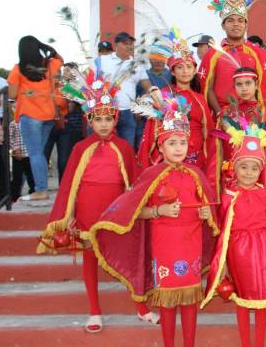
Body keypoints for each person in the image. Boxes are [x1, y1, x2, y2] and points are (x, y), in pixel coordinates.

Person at [89, 91, 219, 347]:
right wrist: (159, 211)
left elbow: (210, 211)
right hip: (165, 244)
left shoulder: (196, 174)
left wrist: (206, 215)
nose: (178, 148)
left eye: (182, 142)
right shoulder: (152, 174)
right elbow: (137, 211)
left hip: (191, 243)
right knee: (168, 300)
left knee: (190, 299)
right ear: (161, 146)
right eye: (172, 143)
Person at [36, 70, 157, 332]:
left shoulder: (124, 146)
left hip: (116, 212)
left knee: (129, 255)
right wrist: (68, 215)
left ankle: (141, 307)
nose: (103, 124)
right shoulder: (80, 148)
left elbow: (134, 183)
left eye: (108, 119)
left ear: (116, 119)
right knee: (90, 258)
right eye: (97, 119)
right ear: (89, 120)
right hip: (88, 212)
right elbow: (69, 184)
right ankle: (94, 311)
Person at [202, 126, 266, 347]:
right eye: (243, 167)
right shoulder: (228, 196)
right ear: (234, 168)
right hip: (239, 253)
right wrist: (226, 264)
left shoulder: (265, 194)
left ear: (260, 171)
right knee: (242, 298)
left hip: (265, 249)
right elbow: (223, 232)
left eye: (254, 168)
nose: (248, 173)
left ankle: (259, 342)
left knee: (262, 299)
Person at [208, 67, 266, 254]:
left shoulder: (263, 112)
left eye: (248, 83)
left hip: (258, 178)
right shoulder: (227, 113)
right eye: (239, 84)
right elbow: (220, 148)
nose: (244, 88)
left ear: (256, 86)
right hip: (233, 176)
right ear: (234, 87)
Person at [194, 0, 266, 117]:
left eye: (240, 20)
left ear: (246, 25)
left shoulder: (258, 54)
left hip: (254, 119)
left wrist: (258, 116)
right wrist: (220, 113)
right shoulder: (213, 54)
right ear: (223, 25)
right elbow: (207, 87)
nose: (236, 24)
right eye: (230, 20)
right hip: (224, 118)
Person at [137, 29, 213, 171]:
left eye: (189, 67)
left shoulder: (200, 99)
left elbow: (207, 132)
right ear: (172, 71)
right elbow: (153, 129)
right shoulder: (164, 95)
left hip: (196, 157)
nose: (185, 71)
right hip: (169, 154)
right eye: (180, 67)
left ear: (195, 70)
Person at [7, 36, 63, 202]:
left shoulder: (18, 69)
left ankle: (41, 190)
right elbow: (61, 59)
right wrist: (49, 49)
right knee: (39, 153)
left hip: (30, 115)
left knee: (35, 153)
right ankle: (41, 187)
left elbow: (11, 94)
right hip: (49, 116)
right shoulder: (49, 64)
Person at [93, 31, 151, 147]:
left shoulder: (137, 65)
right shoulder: (103, 60)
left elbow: (148, 87)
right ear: (116, 45)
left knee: (127, 148)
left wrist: (142, 104)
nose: (129, 46)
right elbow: (92, 83)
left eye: (130, 43)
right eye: (125, 43)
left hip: (128, 113)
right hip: (106, 112)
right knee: (104, 147)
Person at [9, 103, 35, 203]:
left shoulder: (31, 123)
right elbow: (10, 138)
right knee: (17, 177)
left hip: (29, 155)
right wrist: (15, 149)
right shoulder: (13, 123)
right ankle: (14, 196)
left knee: (31, 176)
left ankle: (33, 192)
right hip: (18, 156)